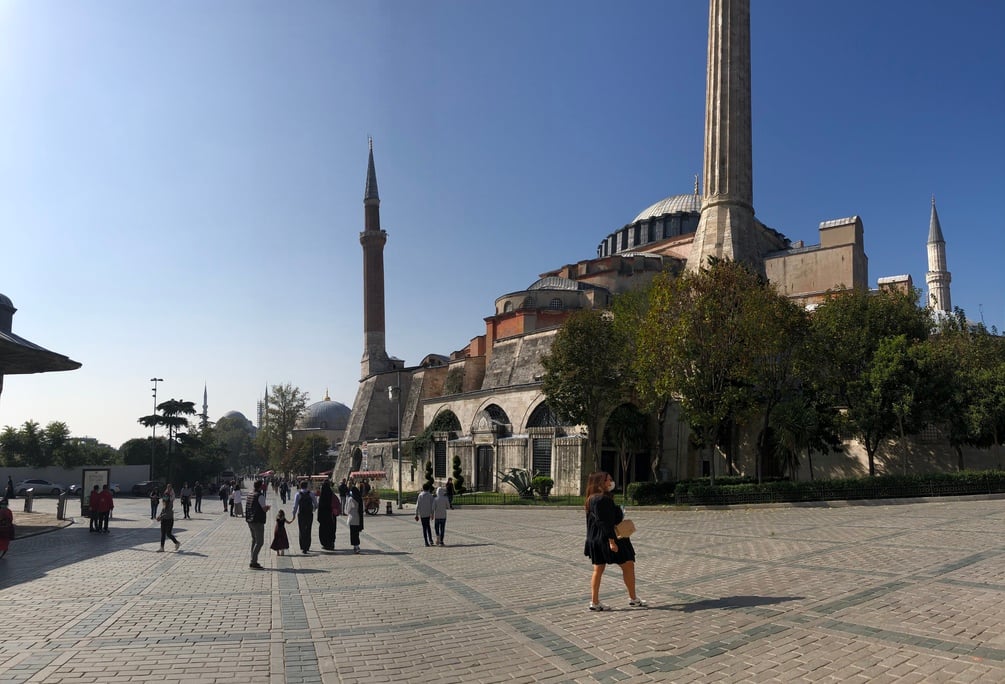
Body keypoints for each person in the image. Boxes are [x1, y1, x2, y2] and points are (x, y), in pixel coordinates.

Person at [583, 471, 646, 611]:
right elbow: (605, 522)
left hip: (595, 538)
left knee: (598, 569)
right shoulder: (602, 500)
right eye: (608, 480)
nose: (611, 482)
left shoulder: (591, 499)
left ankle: (594, 602)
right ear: (600, 482)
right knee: (628, 564)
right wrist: (612, 541)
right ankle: (633, 598)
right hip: (609, 538)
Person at [245, 480, 270, 569]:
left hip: (250, 520)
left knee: (254, 540)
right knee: (260, 542)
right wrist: (267, 507)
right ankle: (253, 562)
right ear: (260, 486)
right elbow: (264, 509)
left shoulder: (250, 494)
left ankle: (253, 559)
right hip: (257, 521)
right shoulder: (260, 496)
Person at [291, 481, 316, 554]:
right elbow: (316, 504)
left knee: (302, 530)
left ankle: (303, 546)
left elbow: (295, 506)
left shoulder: (298, 494)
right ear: (307, 486)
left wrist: (294, 514)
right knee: (308, 529)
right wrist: (313, 509)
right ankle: (307, 546)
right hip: (309, 514)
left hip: (301, 514)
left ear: (300, 486)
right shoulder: (311, 494)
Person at [156, 485, 181, 552]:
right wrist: (160, 515)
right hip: (164, 520)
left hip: (169, 520)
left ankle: (177, 543)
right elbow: (163, 510)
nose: (164, 498)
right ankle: (162, 547)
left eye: (166, 497)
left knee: (168, 534)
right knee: (163, 534)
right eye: (164, 497)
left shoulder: (170, 504)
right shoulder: (164, 503)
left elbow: (168, 513)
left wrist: (160, 517)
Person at [414, 482, 435, 547]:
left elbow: (417, 505)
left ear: (423, 488)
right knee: (428, 526)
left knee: (424, 528)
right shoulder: (430, 495)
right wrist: (432, 514)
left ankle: (426, 542)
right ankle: (430, 540)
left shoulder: (420, 495)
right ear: (428, 488)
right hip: (428, 513)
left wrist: (416, 514)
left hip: (422, 514)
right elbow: (432, 506)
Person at [317, 481, 336, 551]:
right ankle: (331, 543)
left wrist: (319, 518)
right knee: (331, 530)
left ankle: (325, 544)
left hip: (323, 517)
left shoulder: (322, 496)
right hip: (331, 516)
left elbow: (320, 508)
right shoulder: (331, 494)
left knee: (323, 531)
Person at [346, 483, 364, 554]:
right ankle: (357, 546)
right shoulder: (360, 499)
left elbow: (348, 509)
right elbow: (363, 509)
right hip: (358, 519)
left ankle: (356, 546)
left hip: (352, 518)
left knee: (353, 534)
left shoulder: (351, 499)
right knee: (356, 533)